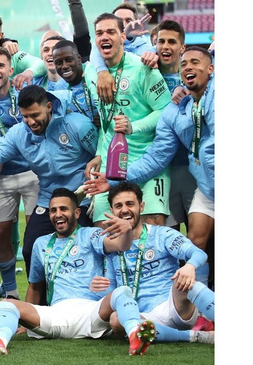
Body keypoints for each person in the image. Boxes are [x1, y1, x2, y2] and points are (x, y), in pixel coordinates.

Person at [0, 188, 156, 356]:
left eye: (63, 209)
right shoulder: (41, 244)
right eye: (53, 210)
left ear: (77, 213)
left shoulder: (91, 235)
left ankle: (135, 336)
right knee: (6, 305)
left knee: (121, 292)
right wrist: (25, 320)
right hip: (56, 314)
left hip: (91, 312)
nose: (58, 214)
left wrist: (127, 230)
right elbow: (35, 286)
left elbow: (120, 244)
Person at [83, 46, 215, 290]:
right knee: (195, 240)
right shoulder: (174, 110)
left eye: (196, 63)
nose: (188, 68)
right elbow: (156, 157)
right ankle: (202, 307)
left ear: (211, 69)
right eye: (184, 64)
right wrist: (112, 181)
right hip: (208, 187)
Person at [0, 84, 96, 283]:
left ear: (48, 106)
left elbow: (102, 154)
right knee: (31, 250)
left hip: (81, 199)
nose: (30, 122)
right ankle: (38, 307)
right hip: (48, 200)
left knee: (83, 250)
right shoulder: (19, 133)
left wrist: (97, 193)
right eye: (25, 116)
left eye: (35, 115)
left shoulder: (77, 125)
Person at [91, 181, 215, 344]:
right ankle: (196, 336)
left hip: (174, 306)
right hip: (141, 316)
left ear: (141, 207)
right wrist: (100, 288)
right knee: (116, 319)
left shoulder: (162, 234)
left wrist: (190, 266)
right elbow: (115, 290)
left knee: (184, 281)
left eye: (130, 204)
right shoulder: (112, 245)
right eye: (118, 206)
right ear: (112, 211)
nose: (125, 210)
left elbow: (197, 253)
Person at [83, 13, 171, 230]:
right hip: (110, 166)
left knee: (152, 228)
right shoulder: (90, 72)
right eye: (100, 33)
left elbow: (165, 111)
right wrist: (99, 153)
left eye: (111, 32)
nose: (105, 37)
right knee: (104, 229)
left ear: (123, 37)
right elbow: (106, 119)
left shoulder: (142, 68)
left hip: (146, 162)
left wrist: (134, 127)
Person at [0, 46, 40, 300]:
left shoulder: (24, 95)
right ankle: (11, 291)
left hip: (33, 173)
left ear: (11, 70)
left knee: (37, 234)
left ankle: (41, 291)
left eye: (0, 66)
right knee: (0, 232)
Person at [153, 20, 198, 237]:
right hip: (161, 170)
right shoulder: (146, 72)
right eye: (161, 41)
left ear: (182, 48)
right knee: (166, 237)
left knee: (199, 235)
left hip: (192, 169)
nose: (165, 47)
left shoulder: (194, 75)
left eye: (172, 42)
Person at [52, 39, 99, 129]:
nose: (64, 66)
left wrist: (104, 114)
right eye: (58, 63)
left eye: (69, 60)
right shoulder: (59, 89)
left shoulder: (95, 73)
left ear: (79, 59)